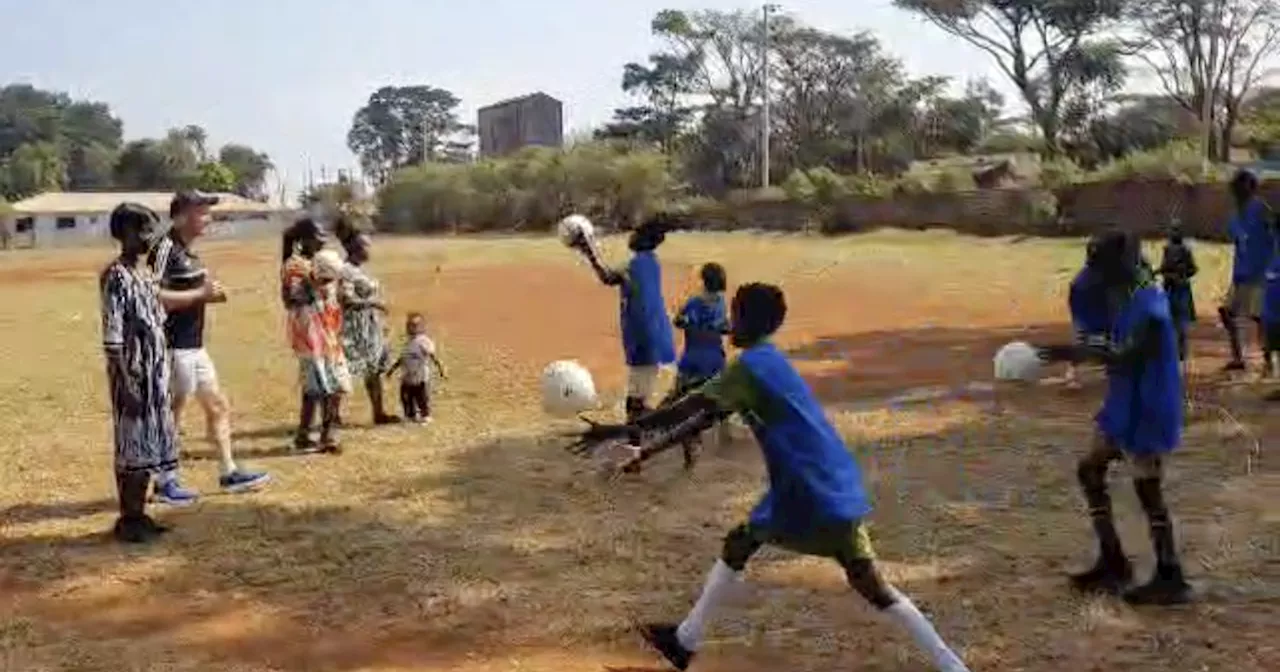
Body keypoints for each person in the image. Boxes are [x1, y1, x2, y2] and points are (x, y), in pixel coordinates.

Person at [567, 283, 970, 672]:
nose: (728, 322)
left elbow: (688, 407)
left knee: (747, 546)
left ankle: (685, 641)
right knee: (865, 582)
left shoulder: (750, 367)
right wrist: (645, 450)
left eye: (734, 315)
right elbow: (706, 417)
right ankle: (952, 665)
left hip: (804, 490)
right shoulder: (771, 360)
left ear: (746, 321)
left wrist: (619, 431)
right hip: (835, 480)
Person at [1037, 230, 1190, 605]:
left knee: (1147, 488)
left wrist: (1058, 353)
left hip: (1150, 406)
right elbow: (1107, 341)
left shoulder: (1151, 308)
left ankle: (1171, 575)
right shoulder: (1127, 295)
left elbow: (1125, 355)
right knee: (1090, 471)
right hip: (1124, 402)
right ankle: (1113, 560)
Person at [100, 202, 221, 542]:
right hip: (133, 376)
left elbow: (158, 317)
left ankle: (139, 514)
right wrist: (126, 383)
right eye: (143, 230)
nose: (149, 238)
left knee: (149, 445)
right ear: (123, 234)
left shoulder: (145, 276)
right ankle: (129, 518)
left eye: (151, 229)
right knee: (132, 447)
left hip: (153, 376)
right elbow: (112, 338)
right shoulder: (116, 277)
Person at [147, 190, 269, 502]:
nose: (207, 218)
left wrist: (210, 291)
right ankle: (164, 481)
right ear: (181, 215)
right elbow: (151, 297)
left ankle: (229, 472)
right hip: (172, 348)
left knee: (217, 405)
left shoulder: (189, 252)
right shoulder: (164, 250)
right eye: (201, 212)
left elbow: (193, 290)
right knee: (173, 415)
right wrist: (201, 295)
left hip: (195, 347)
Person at [570, 215, 677, 434]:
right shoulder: (649, 262)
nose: (631, 236)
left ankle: (646, 437)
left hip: (645, 337)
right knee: (640, 396)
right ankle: (650, 430)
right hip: (652, 334)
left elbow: (607, 277)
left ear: (643, 239)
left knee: (635, 403)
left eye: (636, 233)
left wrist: (588, 249)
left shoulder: (637, 265)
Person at [281, 217, 350, 453]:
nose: (321, 244)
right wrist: (316, 281)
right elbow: (291, 298)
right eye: (316, 240)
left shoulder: (320, 260)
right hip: (310, 333)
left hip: (327, 331)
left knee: (321, 385)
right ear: (303, 240)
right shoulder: (295, 265)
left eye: (323, 240)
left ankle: (306, 434)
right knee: (327, 385)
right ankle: (328, 435)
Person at [662, 262, 731, 469]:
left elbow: (679, 321)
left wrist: (690, 323)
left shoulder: (694, 303)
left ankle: (689, 448)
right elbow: (726, 328)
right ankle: (724, 438)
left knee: (683, 404)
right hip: (715, 360)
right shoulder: (721, 303)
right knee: (718, 399)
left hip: (693, 359)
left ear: (703, 280)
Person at [334, 218, 399, 425]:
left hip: (368, 328)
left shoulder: (358, 270)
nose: (369, 249)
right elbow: (345, 300)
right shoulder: (345, 271)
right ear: (352, 247)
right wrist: (374, 303)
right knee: (344, 372)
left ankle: (378, 413)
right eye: (365, 245)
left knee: (374, 372)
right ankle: (333, 416)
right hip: (354, 329)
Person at [1220, 169, 1274, 372]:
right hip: (1241, 273)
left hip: (1260, 273)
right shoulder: (1235, 216)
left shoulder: (1261, 208)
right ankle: (1239, 358)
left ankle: (1268, 361)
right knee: (1227, 313)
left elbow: (1272, 234)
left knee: (1261, 318)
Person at [1065, 235, 1111, 390]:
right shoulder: (1104, 277)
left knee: (1082, 342)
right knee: (1111, 339)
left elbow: (1072, 301)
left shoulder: (1081, 278)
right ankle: (1110, 370)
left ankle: (1072, 374)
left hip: (1084, 318)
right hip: (1098, 318)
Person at [386, 312, 447, 423]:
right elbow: (402, 358)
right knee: (406, 397)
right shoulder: (407, 342)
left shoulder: (424, 341)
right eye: (409, 325)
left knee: (421, 397)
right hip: (407, 377)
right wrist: (391, 370)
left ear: (422, 327)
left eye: (415, 325)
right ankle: (410, 415)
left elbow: (433, 356)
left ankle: (425, 415)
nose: (411, 328)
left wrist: (441, 369)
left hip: (420, 377)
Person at [1157, 222, 1198, 363]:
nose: (1173, 234)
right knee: (1168, 319)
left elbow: (1193, 269)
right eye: (1172, 231)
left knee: (1181, 322)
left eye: (1176, 231)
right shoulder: (1167, 249)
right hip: (1169, 287)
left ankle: (1181, 351)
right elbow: (1163, 267)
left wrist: (1181, 274)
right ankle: (1169, 350)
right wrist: (1164, 273)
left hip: (1181, 288)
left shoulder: (1185, 251)